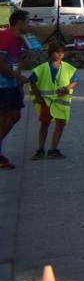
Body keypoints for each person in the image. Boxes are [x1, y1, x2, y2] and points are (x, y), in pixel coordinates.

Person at [29, 43, 78, 160]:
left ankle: (53, 149)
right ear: (50, 53)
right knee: (44, 124)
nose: (60, 54)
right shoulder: (42, 68)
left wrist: (67, 88)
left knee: (60, 125)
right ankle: (40, 149)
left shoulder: (68, 68)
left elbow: (75, 81)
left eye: (62, 52)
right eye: (57, 52)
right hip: (46, 102)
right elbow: (32, 81)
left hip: (60, 103)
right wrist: (38, 96)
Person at [0, 11, 31, 170]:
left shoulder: (18, 40)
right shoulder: (6, 37)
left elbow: (16, 63)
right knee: (7, 116)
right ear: (19, 22)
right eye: (27, 21)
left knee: (14, 116)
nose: (29, 24)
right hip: (2, 85)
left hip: (11, 85)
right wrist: (17, 78)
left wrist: (18, 83)